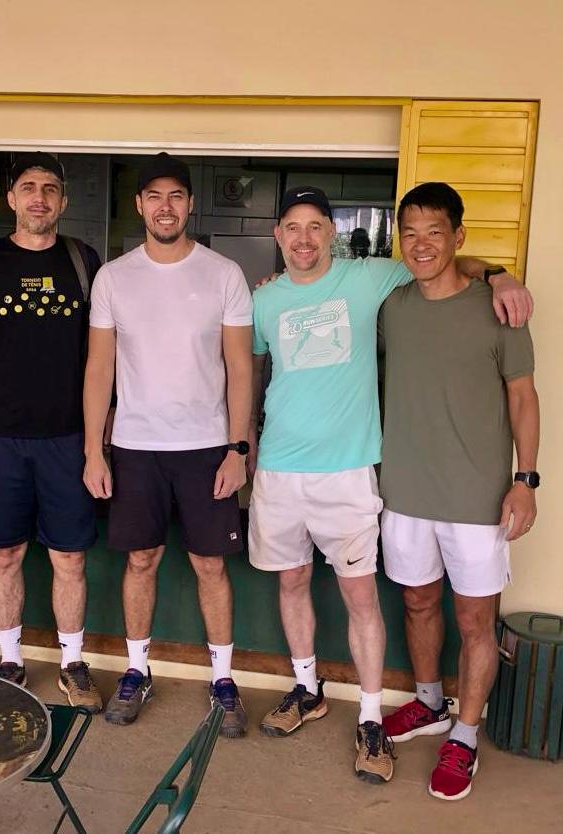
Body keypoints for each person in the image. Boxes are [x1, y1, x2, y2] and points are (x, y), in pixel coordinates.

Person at [248, 185, 532, 783]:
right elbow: (250, 366)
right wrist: (241, 445)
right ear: (278, 236)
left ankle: (431, 728)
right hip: (365, 482)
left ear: (332, 234)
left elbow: (520, 393)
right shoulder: (301, 301)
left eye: (315, 226)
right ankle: (382, 697)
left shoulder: (406, 287)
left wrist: (501, 273)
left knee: (458, 617)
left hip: (415, 483)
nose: (421, 245)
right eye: (292, 227)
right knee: (404, 599)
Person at [84, 152, 253, 738]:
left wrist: (238, 448)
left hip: (207, 446)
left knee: (210, 564)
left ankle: (224, 679)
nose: (165, 206)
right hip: (136, 445)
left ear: (189, 204)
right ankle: (137, 670)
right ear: (139, 205)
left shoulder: (223, 274)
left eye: (175, 195)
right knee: (141, 559)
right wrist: (93, 450)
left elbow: (240, 367)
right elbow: (99, 369)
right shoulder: (114, 277)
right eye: (154, 196)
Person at [379, 182, 538, 801]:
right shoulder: (392, 308)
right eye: (410, 234)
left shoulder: (500, 309)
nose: (421, 245)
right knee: (418, 601)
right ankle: (429, 704)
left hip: (478, 496)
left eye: (435, 233)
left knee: (476, 620)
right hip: (405, 491)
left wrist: (525, 480)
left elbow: (522, 397)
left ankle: (464, 736)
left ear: (458, 236)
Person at [0, 152, 103, 711]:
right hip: (2, 437)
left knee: (70, 558)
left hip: (67, 436)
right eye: (28, 187)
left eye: (49, 188)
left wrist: (98, 436)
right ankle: (10, 660)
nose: (38, 197)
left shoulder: (83, 261)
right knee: (6, 555)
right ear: (11, 199)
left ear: (62, 202)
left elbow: (104, 352)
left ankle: (72, 663)